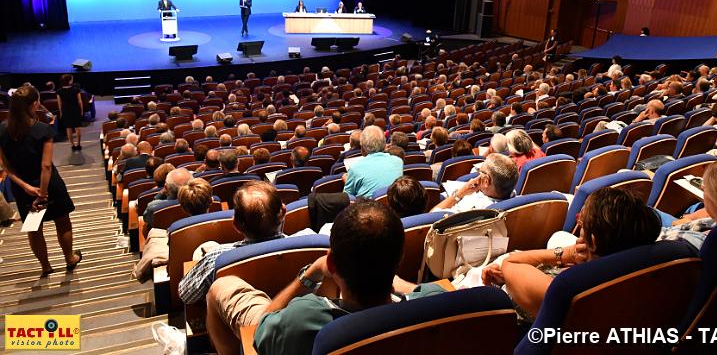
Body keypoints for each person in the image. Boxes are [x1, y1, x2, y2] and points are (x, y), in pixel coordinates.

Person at [205, 200, 445, 355]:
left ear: (331, 264)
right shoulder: (436, 304)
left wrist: (311, 274)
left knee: (221, 286)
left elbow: (260, 330)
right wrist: (385, 273)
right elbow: (415, 293)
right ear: (400, 257)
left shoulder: (303, 319)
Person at [482, 187, 661, 319]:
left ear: (594, 242)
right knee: (559, 236)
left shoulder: (564, 288)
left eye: (581, 223)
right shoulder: (638, 267)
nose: (578, 223)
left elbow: (511, 263)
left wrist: (567, 253)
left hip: (516, 321)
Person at [0, 86, 81, 276]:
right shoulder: (43, 129)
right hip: (49, 185)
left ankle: (45, 266)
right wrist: (42, 193)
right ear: (34, 104)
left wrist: (27, 187)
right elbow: (45, 167)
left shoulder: (1, 130)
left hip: (22, 188)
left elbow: (6, 167)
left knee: (34, 229)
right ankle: (69, 258)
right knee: (62, 222)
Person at [179, 181, 286, 306]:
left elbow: (186, 295)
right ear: (283, 212)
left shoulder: (216, 258)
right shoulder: (310, 242)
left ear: (236, 225)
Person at [432, 153, 518, 213]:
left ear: (486, 181)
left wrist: (460, 193)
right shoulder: (516, 199)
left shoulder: (468, 208)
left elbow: (432, 214)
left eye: (480, 171)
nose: (478, 173)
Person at [343, 126, 403, 197]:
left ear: (362, 148)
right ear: (384, 145)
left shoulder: (355, 168)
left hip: (368, 207)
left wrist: (347, 181)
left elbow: (347, 197)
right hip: (394, 205)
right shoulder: (398, 161)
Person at [56, 73, 83, 151]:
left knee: (68, 128)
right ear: (69, 80)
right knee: (77, 127)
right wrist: (81, 110)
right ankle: (78, 144)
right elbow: (79, 101)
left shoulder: (59, 91)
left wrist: (61, 112)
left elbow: (59, 103)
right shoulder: (76, 89)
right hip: (75, 110)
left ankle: (72, 145)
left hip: (66, 110)